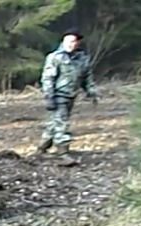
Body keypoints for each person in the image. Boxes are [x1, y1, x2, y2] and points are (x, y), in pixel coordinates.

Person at [36, 28, 97, 157]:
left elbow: (86, 76)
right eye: (67, 41)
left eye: (73, 41)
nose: (70, 44)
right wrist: (49, 96)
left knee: (55, 121)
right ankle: (62, 151)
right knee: (61, 122)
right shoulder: (55, 57)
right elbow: (48, 78)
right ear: (63, 41)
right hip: (58, 94)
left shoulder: (82, 58)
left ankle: (42, 147)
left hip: (71, 95)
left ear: (77, 43)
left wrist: (91, 91)